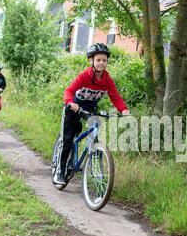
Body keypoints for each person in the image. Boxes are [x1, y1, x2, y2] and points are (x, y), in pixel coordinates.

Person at [53, 43, 130, 185]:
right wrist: (71, 102)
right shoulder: (84, 76)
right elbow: (68, 91)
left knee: (95, 128)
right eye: (98, 60)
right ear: (91, 61)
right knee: (68, 139)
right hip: (74, 107)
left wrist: (123, 110)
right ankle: (59, 171)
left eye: (104, 60)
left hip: (90, 108)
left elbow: (115, 97)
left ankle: (93, 156)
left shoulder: (107, 80)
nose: (101, 63)